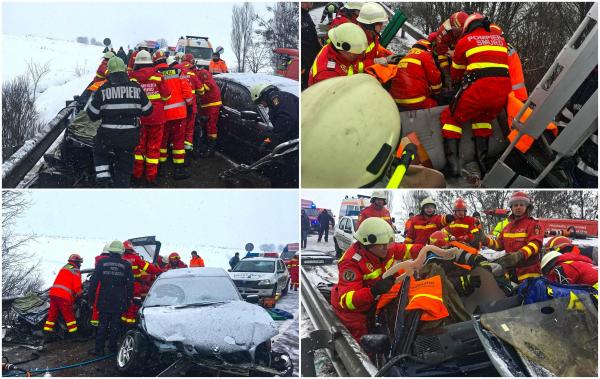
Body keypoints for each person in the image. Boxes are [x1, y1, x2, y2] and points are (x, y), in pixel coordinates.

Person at [439, 13, 511, 178]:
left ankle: (453, 167)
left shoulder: (465, 41)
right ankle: (484, 164)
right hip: (501, 94)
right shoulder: (500, 40)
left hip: (479, 91)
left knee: (450, 117)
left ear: (468, 28)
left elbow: (456, 74)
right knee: (483, 120)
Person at [86, 57, 152, 188]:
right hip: (129, 137)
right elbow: (148, 110)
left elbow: (92, 114)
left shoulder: (103, 89)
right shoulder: (136, 88)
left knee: (99, 151)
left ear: (109, 72)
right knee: (124, 166)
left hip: (107, 136)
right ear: (124, 70)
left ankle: (103, 179)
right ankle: (121, 188)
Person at [331, 217, 399, 340]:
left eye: (387, 244)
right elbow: (346, 301)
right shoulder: (350, 263)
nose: (386, 248)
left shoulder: (381, 250)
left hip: (372, 305)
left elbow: (406, 249)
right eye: (382, 245)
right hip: (354, 314)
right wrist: (373, 291)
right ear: (368, 244)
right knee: (363, 348)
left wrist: (429, 250)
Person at [129, 50, 171, 186]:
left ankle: (136, 175)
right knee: (153, 148)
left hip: (138, 118)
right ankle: (150, 178)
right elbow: (166, 96)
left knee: (138, 148)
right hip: (156, 118)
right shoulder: (158, 77)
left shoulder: (131, 77)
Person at [484, 191, 543, 283]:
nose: (518, 207)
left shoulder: (533, 224)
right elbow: (498, 245)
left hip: (529, 273)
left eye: (521, 205)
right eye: (515, 205)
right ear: (511, 207)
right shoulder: (507, 227)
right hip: (511, 273)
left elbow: (536, 244)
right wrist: (485, 240)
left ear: (526, 206)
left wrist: (520, 254)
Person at [153, 50, 194, 180]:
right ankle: (178, 170)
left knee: (162, 142)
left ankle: (162, 168)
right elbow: (187, 92)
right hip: (179, 115)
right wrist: (190, 104)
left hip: (162, 116)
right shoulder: (178, 73)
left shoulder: (155, 75)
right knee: (178, 142)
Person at [88, 241, 133, 356]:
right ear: (121, 251)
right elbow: (130, 285)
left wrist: (91, 298)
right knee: (115, 325)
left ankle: (99, 349)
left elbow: (94, 282)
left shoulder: (102, 262)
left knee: (102, 325)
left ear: (110, 250)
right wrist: (128, 299)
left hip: (104, 298)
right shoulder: (126, 265)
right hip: (119, 299)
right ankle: (112, 348)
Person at [250, 83, 299, 188]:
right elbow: (280, 129)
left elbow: (286, 122)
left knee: (284, 176)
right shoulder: (279, 99)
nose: (262, 105)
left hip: (295, 145)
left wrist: (269, 139)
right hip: (292, 143)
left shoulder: (277, 99)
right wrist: (267, 140)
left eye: (260, 102)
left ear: (263, 95)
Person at [308, 22, 368, 86]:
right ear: (344, 48)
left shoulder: (333, 47)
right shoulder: (327, 76)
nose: (358, 55)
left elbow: (354, 64)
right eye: (355, 53)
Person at [389, 39, 442, 110]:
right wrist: (438, 93)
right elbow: (435, 77)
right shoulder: (425, 55)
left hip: (395, 100)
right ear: (428, 48)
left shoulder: (405, 57)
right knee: (437, 106)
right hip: (415, 100)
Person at [43, 254, 86, 342]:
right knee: (69, 317)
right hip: (63, 296)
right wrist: (80, 294)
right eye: (80, 263)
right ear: (76, 263)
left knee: (52, 315)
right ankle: (74, 335)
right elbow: (77, 286)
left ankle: (46, 334)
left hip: (53, 294)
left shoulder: (64, 268)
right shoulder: (75, 270)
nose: (80, 265)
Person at [120, 240, 163, 326]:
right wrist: (160, 271)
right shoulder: (135, 258)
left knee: (124, 305)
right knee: (134, 305)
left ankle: (122, 325)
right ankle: (131, 325)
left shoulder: (120, 258)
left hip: (121, 286)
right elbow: (149, 268)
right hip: (134, 285)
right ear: (132, 248)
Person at [176, 54, 204, 160]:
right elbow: (201, 90)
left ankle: (176, 152)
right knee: (189, 130)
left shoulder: (175, 70)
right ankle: (187, 154)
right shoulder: (192, 73)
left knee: (178, 131)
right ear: (191, 61)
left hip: (177, 107)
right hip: (191, 107)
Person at [355, 2, 396, 68]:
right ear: (370, 25)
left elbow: (376, 50)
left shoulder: (372, 35)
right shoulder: (356, 40)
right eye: (380, 23)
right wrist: (374, 62)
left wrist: (388, 57)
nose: (382, 26)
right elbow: (353, 67)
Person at [196, 66, 222, 157]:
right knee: (204, 126)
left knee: (211, 126)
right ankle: (205, 146)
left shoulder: (202, 72)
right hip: (204, 104)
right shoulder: (195, 74)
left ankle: (211, 149)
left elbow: (208, 84)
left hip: (212, 103)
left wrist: (197, 88)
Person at [301, 2, 321, 90]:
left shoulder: (306, 13)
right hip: (306, 63)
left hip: (313, 58)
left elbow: (311, 34)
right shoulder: (300, 16)